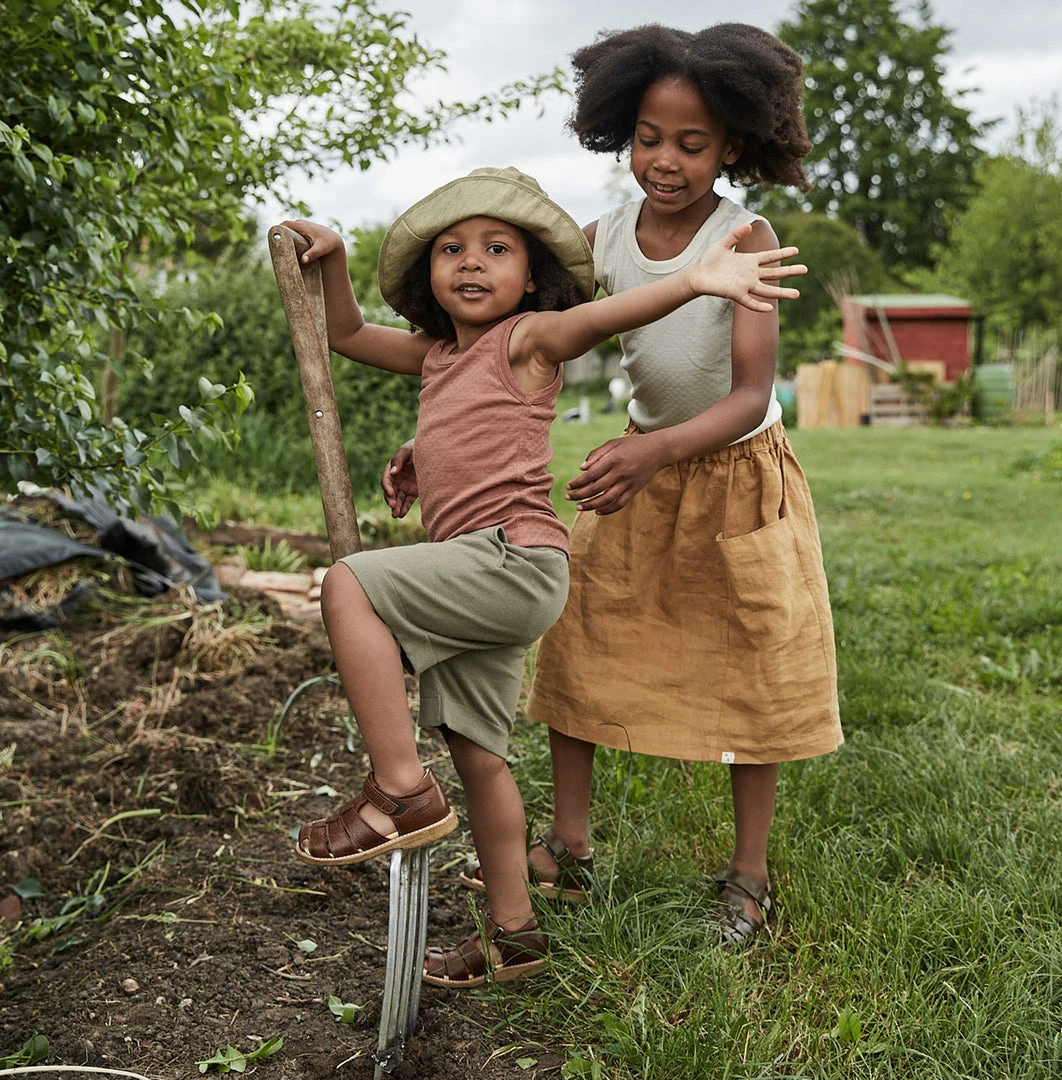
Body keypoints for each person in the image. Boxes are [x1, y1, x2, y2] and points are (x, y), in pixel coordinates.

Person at [281, 164, 807, 987]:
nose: (472, 262)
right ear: (428, 275)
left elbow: (603, 316)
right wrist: (337, 258)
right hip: (475, 576)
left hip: (511, 561)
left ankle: (398, 791)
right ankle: (516, 933)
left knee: (349, 582)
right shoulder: (435, 359)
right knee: (478, 751)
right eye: (451, 249)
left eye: (498, 248)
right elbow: (345, 337)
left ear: (535, 279)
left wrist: (697, 280)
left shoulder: (528, 340)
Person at [386, 24, 843, 947]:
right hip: (635, 474)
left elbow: (751, 394)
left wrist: (657, 450)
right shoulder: (602, 242)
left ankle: (748, 876)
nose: (664, 160)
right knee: (580, 653)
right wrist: (428, 439)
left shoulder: (741, 237)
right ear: (618, 131)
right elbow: (504, 364)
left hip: (734, 476)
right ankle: (568, 845)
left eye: (691, 143)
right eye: (646, 136)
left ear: (735, 147)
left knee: (757, 665)